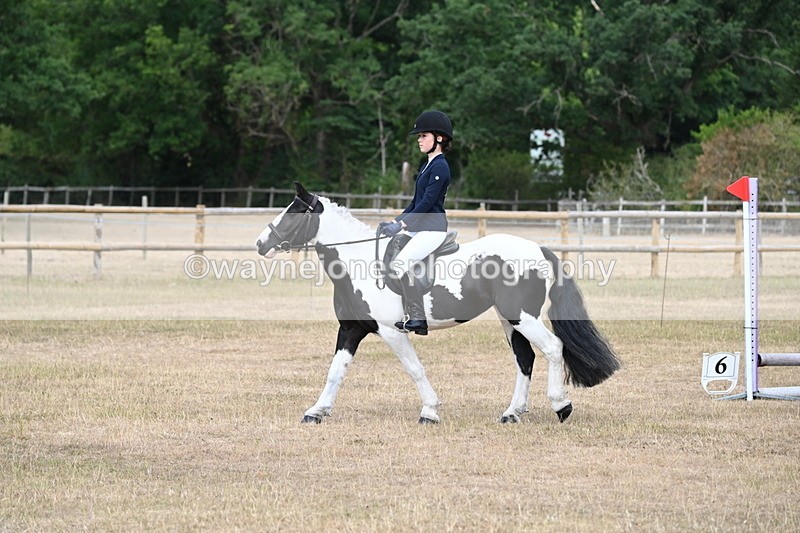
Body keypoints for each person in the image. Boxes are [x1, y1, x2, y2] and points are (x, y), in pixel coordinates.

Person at [380, 110, 453, 335]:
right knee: (390, 252)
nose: (419, 140)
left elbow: (428, 203)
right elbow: (415, 202)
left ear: (439, 138)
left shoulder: (440, 166)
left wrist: (402, 226)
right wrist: (395, 220)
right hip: (420, 227)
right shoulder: (427, 165)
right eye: (418, 136)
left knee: (401, 264)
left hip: (433, 228)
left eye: (423, 136)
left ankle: (418, 318)